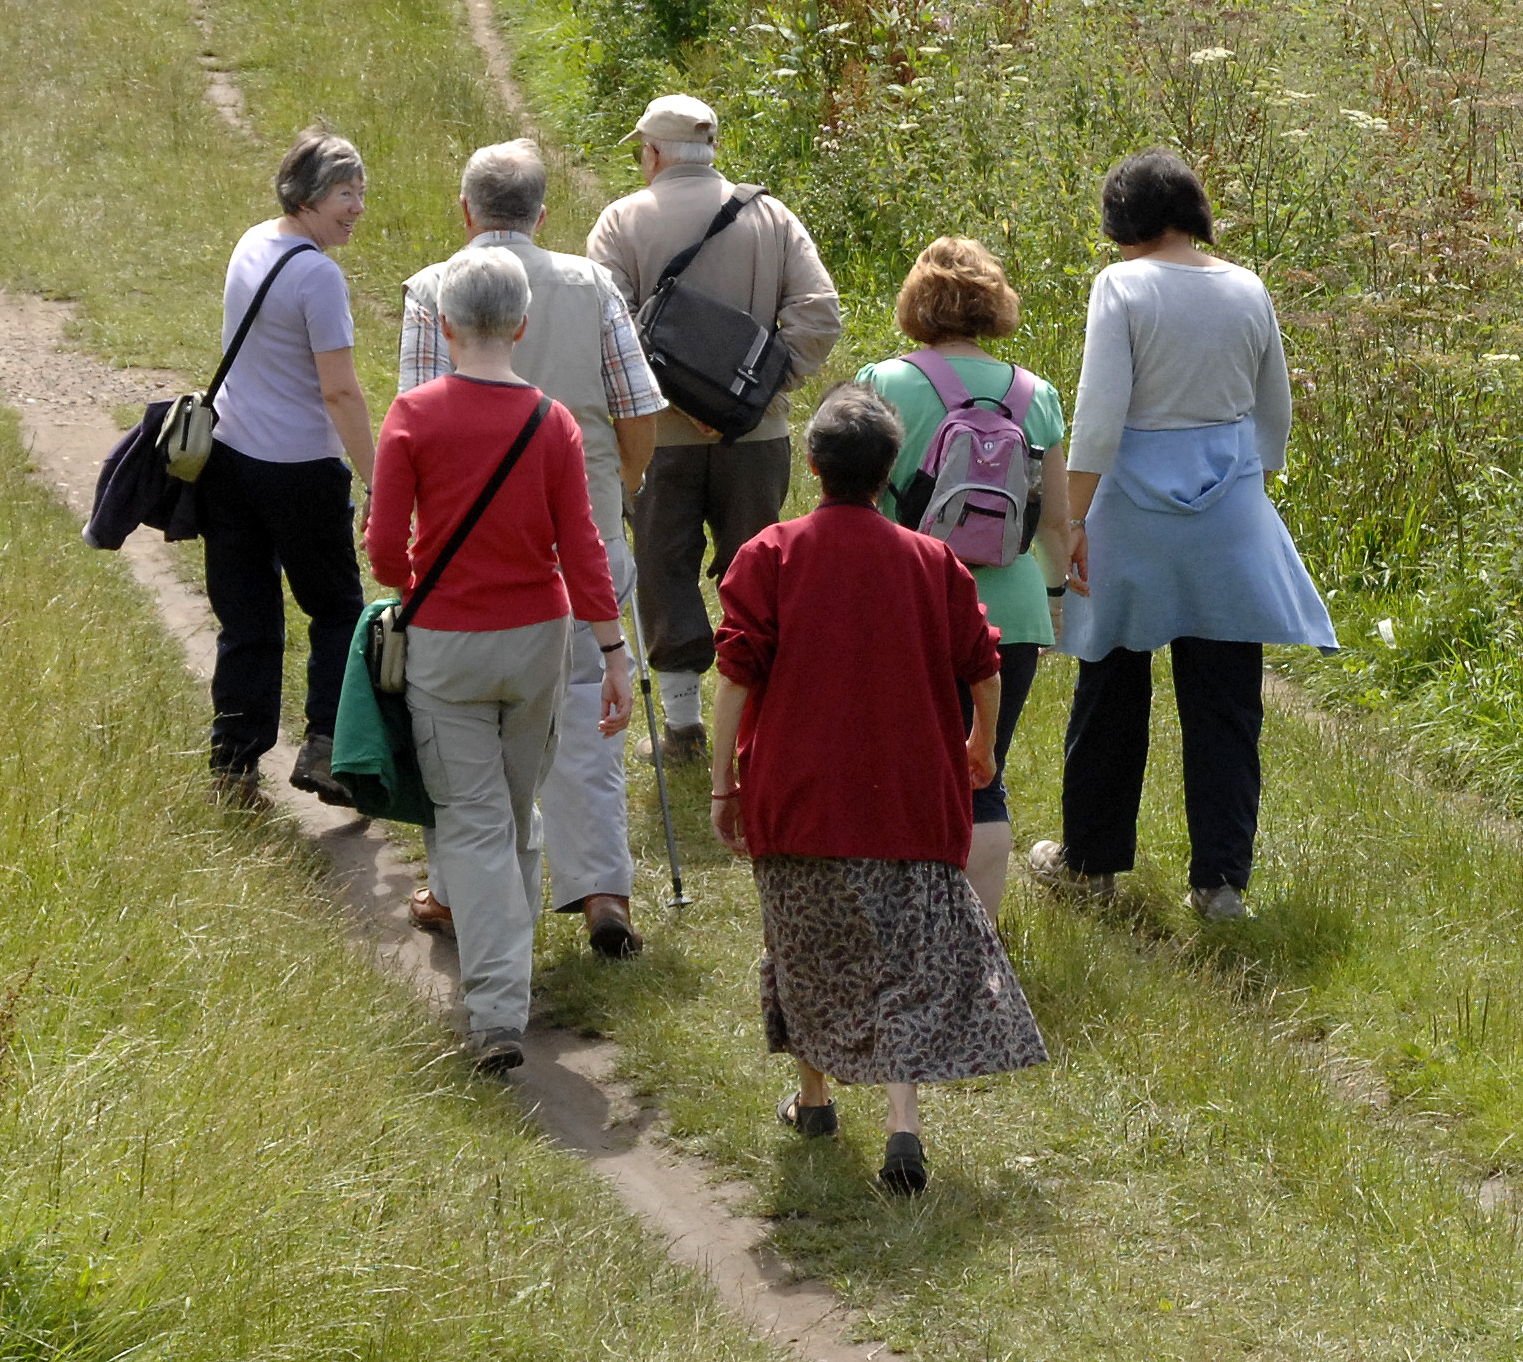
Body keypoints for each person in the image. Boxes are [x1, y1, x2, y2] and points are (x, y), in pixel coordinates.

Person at [710, 383, 1049, 1195]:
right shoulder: (932, 561)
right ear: (890, 470)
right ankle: (904, 1126)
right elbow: (984, 665)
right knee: (905, 961)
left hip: (800, 795)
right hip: (909, 798)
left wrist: (724, 784)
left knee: (805, 951)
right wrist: (979, 747)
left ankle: (817, 1098)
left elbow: (733, 675)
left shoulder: (771, 554)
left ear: (814, 465)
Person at [1032, 149, 1333, 921]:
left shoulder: (1121, 286)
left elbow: (1099, 418)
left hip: (1130, 509)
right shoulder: (1247, 286)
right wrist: (1247, 491)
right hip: (1227, 506)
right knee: (1227, 697)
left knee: (1110, 683)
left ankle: (1091, 864)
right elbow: (1274, 415)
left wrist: (1070, 522)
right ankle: (1221, 884)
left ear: (1122, 219)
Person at [369, 245, 632, 1077]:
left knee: (478, 823)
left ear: (444, 326)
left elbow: (383, 553)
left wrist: (420, 584)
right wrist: (615, 651)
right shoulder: (552, 422)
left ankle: (493, 1014)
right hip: (539, 644)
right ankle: (508, 980)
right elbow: (582, 546)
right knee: (513, 816)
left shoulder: (412, 417)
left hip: (447, 645)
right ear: (520, 326)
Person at [399, 140, 665, 957]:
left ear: (465, 211)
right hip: (583, 523)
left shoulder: (431, 290)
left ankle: (455, 892)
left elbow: (414, 411)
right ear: (544, 215)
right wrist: (618, 481)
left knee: (466, 728)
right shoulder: (593, 285)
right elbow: (639, 409)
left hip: (473, 547)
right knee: (592, 709)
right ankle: (602, 891)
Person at [584, 95, 843, 764]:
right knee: (757, 574)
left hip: (655, 439)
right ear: (712, 149)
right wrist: (750, 398)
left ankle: (681, 728)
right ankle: (760, 724)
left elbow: (606, 331)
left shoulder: (620, 222)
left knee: (662, 566)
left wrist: (669, 396)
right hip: (755, 439)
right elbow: (819, 317)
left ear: (653, 153)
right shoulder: (772, 217)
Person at [860, 239, 1071, 917]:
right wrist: (1056, 600)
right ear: (995, 305)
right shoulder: (1037, 394)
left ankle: (907, 933)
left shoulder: (883, 384)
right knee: (983, 776)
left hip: (909, 606)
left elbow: (854, 513)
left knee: (898, 776)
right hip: (1011, 609)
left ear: (916, 304)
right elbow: (1056, 524)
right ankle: (979, 949)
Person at [205, 127, 379, 807]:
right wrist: (374, 476)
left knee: (247, 616)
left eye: (361, 192)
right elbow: (340, 391)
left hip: (230, 461)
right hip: (301, 473)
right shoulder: (317, 275)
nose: (357, 206)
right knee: (337, 608)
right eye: (344, 193)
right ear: (305, 198)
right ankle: (327, 748)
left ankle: (234, 764)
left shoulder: (253, 242)